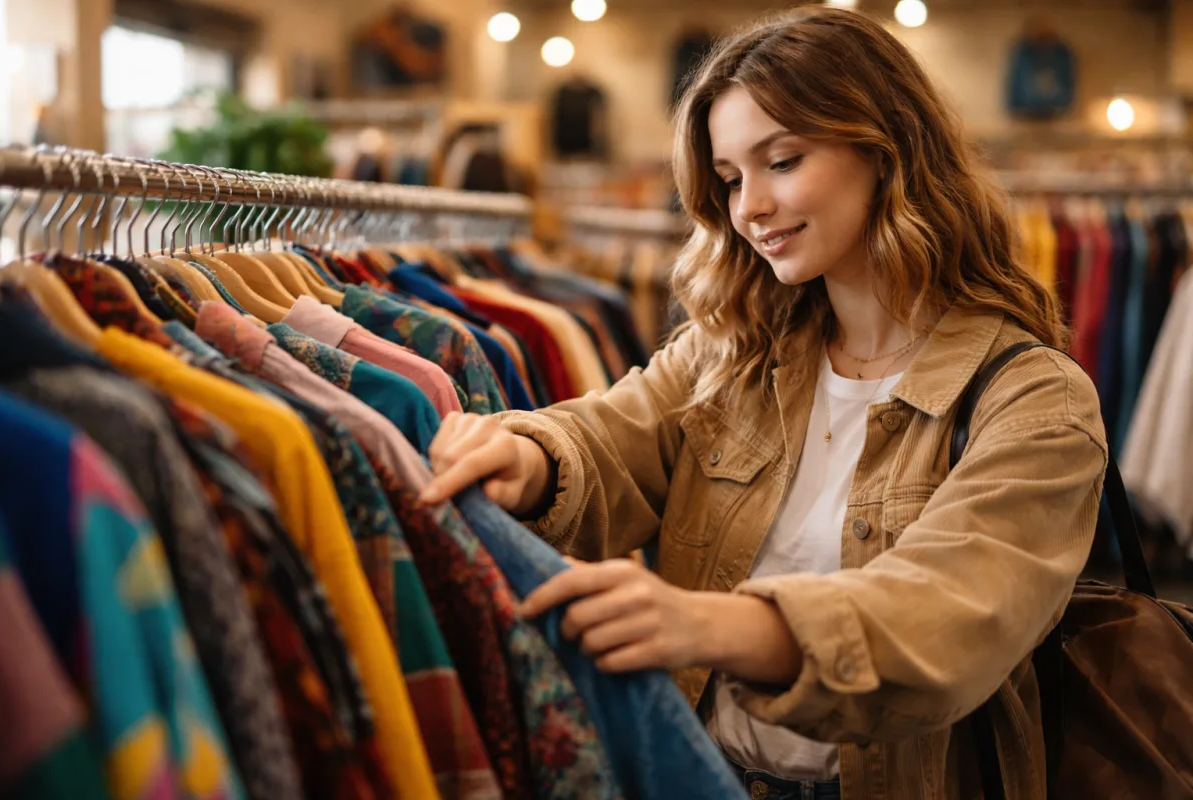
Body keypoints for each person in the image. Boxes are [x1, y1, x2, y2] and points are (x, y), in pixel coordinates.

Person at [420, 8, 1106, 799]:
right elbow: (612, 438)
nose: (748, 208)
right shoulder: (737, 351)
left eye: (781, 161)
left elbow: (951, 614)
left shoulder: (1033, 398)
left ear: (886, 150)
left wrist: (708, 625)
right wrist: (525, 454)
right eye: (730, 179)